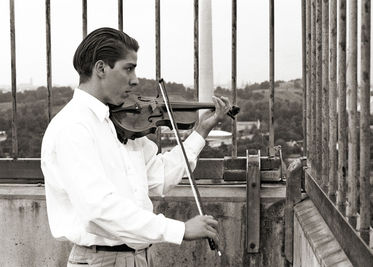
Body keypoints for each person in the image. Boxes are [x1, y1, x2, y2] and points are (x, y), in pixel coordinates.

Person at [41, 27, 231, 267]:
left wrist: (201, 131)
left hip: (139, 258)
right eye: (128, 68)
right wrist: (178, 229)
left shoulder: (121, 124)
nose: (136, 79)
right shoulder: (73, 127)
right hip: (101, 261)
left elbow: (159, 176)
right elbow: (98, 208)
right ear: (101, 69)